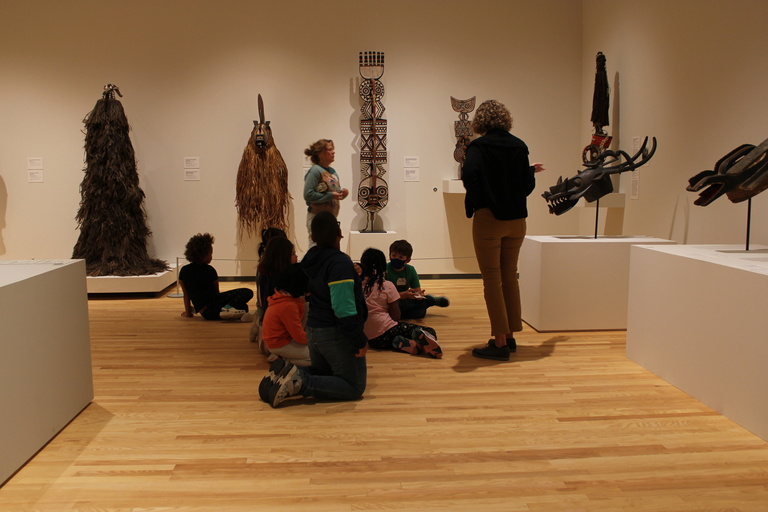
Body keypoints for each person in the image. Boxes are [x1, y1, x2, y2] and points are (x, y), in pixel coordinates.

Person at [461, 99, 545, 361]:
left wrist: (481, 200)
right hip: (517, 220)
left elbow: (470, 176)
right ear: (505, 119)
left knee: (491, 279)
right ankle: (509, 336)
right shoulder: (519, 146)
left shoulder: (478, 147)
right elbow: (525, 184)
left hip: (490, 218)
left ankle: (498, 342)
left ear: (481, 121)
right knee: (510, 276)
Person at [259, 211, 368, 408]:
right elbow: (343, 309)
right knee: (354, 386)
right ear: (340, 233)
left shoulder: (311, 258)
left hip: (314, 330)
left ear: (312, 237)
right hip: (334, 333)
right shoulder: (339, 263)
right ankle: (300, 382)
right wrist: (359, 338)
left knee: (325, 373)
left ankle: (287, 374)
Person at [360, 248, 442, 358]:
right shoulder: (386, 285)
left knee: (391, 336)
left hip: (370, 339)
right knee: (428, 330)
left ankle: (407, 344)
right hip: (387, 329)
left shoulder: (355, 285)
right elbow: (396, 316)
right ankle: (417, 343)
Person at [179, 233, 254, 320]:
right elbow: (216, 293)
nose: (211, 256)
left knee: (243, 307)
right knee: (247, 292)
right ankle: (226, 310)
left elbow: (186, 294)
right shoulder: (210, 270)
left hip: (206, 314)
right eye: (210, 253)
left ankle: (228, 311)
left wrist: (188, 313)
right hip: (215, 307)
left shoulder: (184, 271)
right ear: (203, 254)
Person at [251, 232, 296, 350]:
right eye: (293, 254)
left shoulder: (265, 272)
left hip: (266, 332)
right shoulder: (282, 281)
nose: (296, 257)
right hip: (276, 339)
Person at [386, 239, 450, 320]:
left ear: (408, 260)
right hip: (391, 301)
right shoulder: (384, 269)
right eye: (393, 256)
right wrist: (404, 295)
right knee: (418, 312)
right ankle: (430, 300)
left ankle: (427, 300)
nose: (396, 259)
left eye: (400, 257)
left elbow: (417, 291)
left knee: (418, 312)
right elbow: (383, 296)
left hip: (405, 300)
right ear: (389, 256)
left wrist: (419, 296)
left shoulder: (410, 270)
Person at [261, 263, 311, 366]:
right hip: (280, 344)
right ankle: (283, 360)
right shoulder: (288, 305)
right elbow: (299, 337)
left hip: (283, 339)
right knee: (319, 357)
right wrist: (318, 341)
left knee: (308, 306)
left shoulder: (286, 296)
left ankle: (282, 357)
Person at [303, 139, 349, 246]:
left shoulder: (332, 172)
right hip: (317, 218)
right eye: (330, 149)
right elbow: (308, 195)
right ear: (320, 154)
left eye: (333, 149)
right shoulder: (315, 171)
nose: (333, 152)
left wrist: (342, 193)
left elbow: (336, 192)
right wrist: (331, 195)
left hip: (330, 218)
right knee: (316, 248)